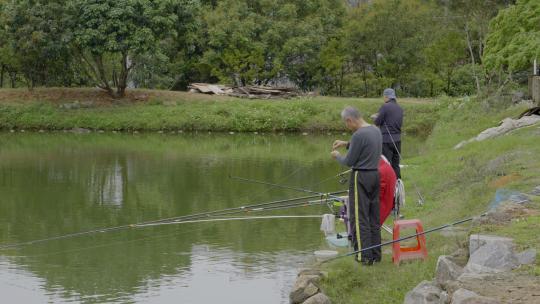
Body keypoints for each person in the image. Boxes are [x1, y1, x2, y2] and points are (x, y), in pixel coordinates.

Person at [331, 106, 382, 265]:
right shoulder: (375, 130)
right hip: (375, 175)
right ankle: (375, 254)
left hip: (360, 176)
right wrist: (346, 143)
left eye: (347, 124)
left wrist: (338, 156)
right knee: (373, 216)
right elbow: (364, 145)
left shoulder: (358, 134)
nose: (347, 127)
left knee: (359, 218)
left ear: (350, 120)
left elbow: (349, 161)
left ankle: (363, 257)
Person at [373, 88, 403, 179]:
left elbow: (377, 122)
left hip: (386, 140)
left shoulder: (385, 106)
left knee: (386, 164)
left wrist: (375, 117)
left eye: (383, 96)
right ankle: (398, 186)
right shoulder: (400, 108)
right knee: (396, 165)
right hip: (397, 140)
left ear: (386, 96)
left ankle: (389, 185)